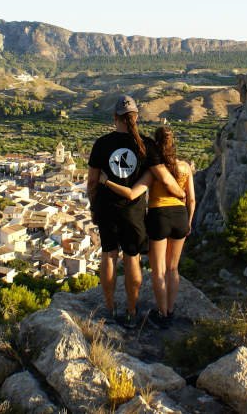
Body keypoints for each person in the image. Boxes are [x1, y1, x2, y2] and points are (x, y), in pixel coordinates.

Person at [87, 95, 184, 329]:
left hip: (107, 208)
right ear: (136, 117)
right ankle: (132, 310)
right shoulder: (147, 145)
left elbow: (92, 182)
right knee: (132, 258)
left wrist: (93, 206)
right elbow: (165, 178)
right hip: (133, 212)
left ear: (115, 118)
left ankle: (110, 308)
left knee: (108, 255)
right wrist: (181, 193)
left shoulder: (101, 144)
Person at [99, 125, 195, 328]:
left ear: (156, 145)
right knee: (173, 268)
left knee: (158, 271)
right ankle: (170, 311)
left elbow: (132, 194)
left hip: (159, 217)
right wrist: (189, 222)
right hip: (181, 217)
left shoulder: (153, 171)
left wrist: (107, 182)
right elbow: (192, 200)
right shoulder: (185, 167)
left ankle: (161, 314)